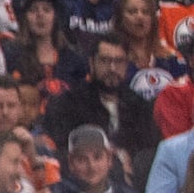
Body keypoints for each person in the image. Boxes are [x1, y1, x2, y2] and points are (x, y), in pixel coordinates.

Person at [44, 35, 159, 177]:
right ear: (92, 63)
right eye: (105, 61)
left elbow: (149, 150)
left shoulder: (140, 106)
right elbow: (62, 151)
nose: (112, 68)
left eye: (119, 61)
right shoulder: (68, 104)